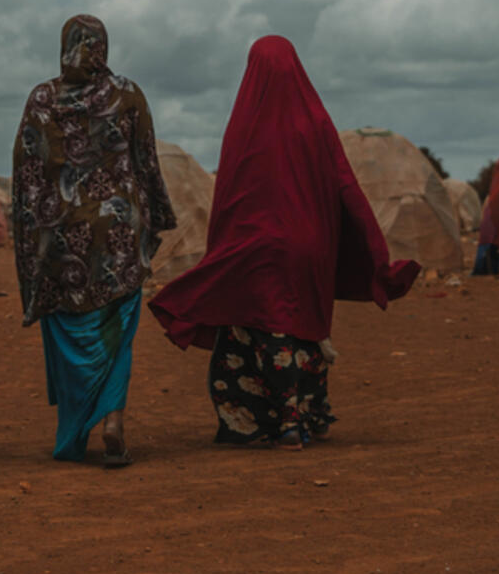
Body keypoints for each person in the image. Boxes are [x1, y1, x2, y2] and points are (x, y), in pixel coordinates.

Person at [149, 35, 419, 449]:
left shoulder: (245, 124)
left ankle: (270, 423)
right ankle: (307, 416)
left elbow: (229, 199)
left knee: (258, 330)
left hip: (255, 250)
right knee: (302, 330)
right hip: (308, 251)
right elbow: (347, 188)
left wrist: (224, 250)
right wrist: (374, 255)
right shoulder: (315, 122)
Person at [11, 14, 176, 466]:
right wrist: (155, 217)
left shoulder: (41, 99)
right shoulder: (127, 94)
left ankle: (77, 431)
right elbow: (147, 162)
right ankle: (113, 421)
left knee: (71, 338)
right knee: (117, 335)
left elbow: (27, 174)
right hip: (119, 240)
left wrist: (32, 240)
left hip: (63, 242)